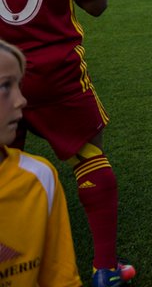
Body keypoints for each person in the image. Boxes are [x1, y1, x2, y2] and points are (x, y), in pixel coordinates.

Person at [0, 0, 132, 286]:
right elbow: (96, 5)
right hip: (53, 71)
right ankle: (105, 270)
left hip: (0, 76)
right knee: (88, 155)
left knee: (4, 166)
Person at [0, 38, 82, 287]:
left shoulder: (39, 177)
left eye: (19, 85)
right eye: (5, 86)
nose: (21, 100)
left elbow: (61, 279)